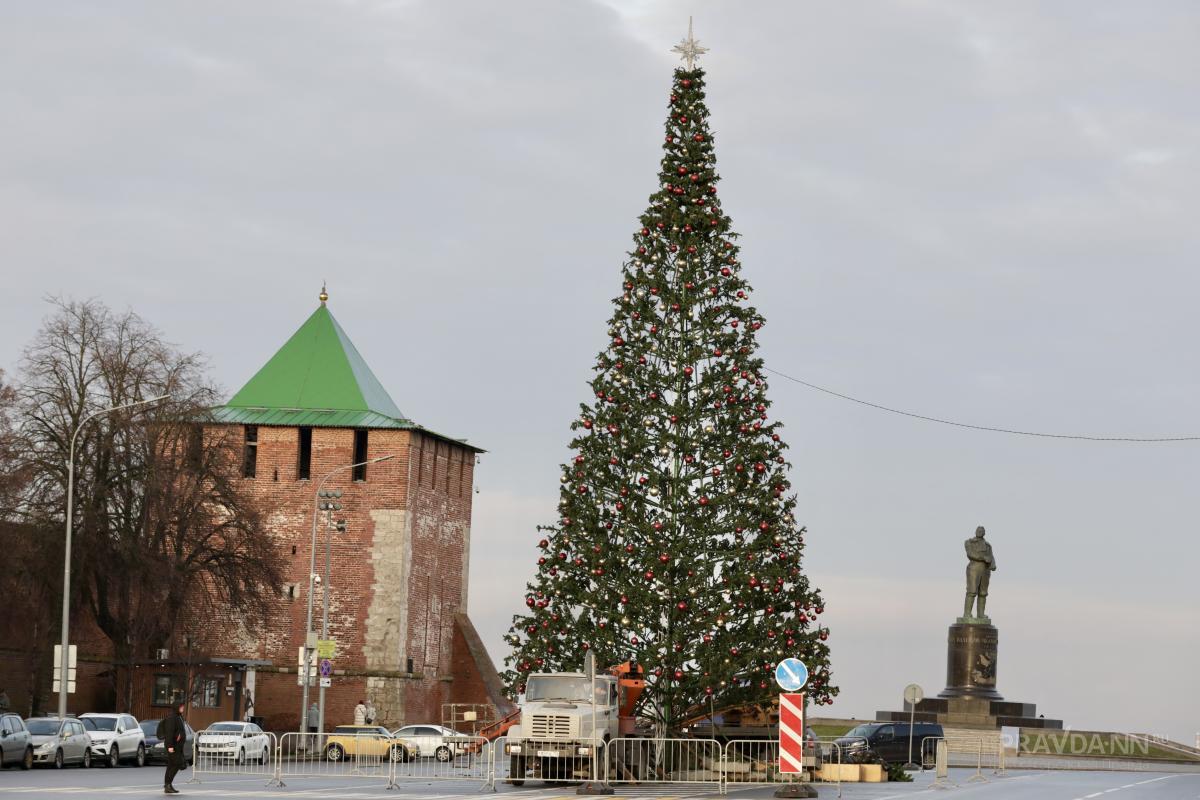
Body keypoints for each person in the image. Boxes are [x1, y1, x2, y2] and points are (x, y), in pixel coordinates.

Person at [160, 700, 188, 795]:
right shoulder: (172, 717)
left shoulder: (178, 716)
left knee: (171, 765)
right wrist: (170, 746)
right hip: (173, 746)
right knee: (176, 764)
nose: (183, 708)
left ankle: (168, 785)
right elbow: (169, 733)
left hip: (178, 746)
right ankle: (167, 785)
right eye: (181, 706)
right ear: (176, 707)